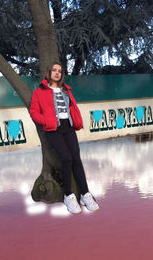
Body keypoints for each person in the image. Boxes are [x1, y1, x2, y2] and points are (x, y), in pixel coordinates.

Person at [30, 62, 99, 214]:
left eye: (59, 71)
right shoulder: (39, 92)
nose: (57, 73)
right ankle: (69, 195)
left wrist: (77, 120)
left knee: (76, 159)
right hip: (53, 128)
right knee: (66, 158)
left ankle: (85, 194)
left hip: (68, 126)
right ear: (48, 72)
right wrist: (46, 121)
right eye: (54, 70)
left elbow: (72, 107)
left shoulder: (65, 90)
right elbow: (34, 112)